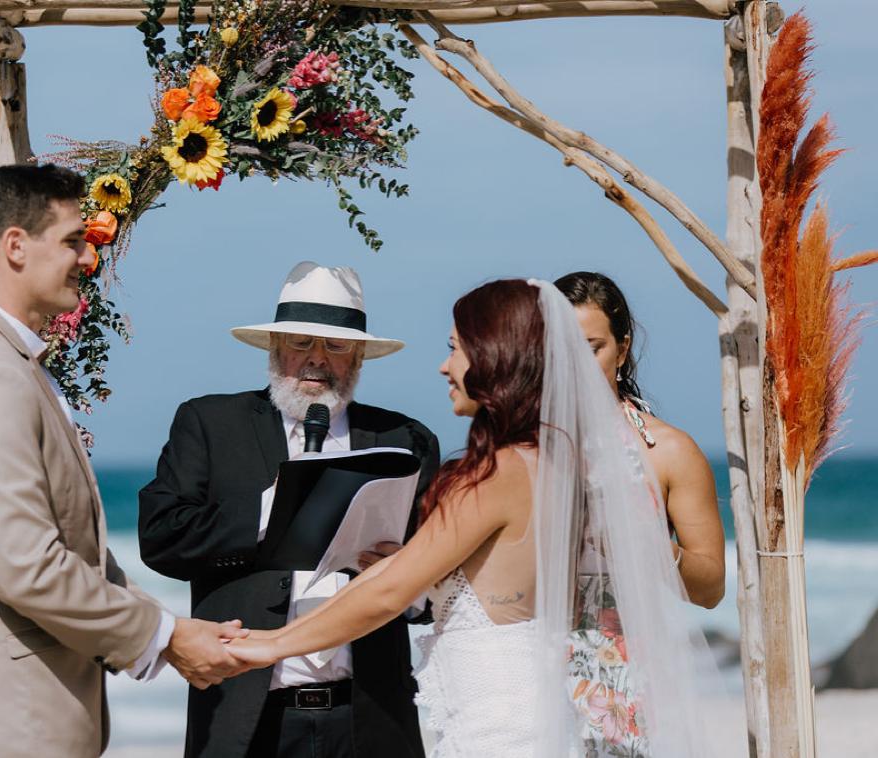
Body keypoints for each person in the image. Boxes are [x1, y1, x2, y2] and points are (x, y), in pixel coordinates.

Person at [225, 279, 723, 757]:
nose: (444, 367)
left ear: (493, 359)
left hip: (502, 732)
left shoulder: (499, 473)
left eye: (456, 349)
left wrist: (267, 647)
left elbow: (388, 591)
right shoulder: (550, 462)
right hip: (533, 716)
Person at [0, 164, 248, 757]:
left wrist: (170, 633)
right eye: (71, 240)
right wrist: (165, 635)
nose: (88, 258)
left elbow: (69, 547)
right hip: (6, 726)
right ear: (16, 246)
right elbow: (27, 566)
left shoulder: (12, 366)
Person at [140, 260, 440, 758]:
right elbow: (161, 539)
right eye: (301, 342)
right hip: (245, 721)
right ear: (275, 347)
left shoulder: (404, 440)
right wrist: (271, 512)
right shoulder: (211, 424)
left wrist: (406, 583)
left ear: (359, 356)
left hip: (370, 720)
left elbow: (442, 586)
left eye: (336, 345)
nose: (316, 359)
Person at [555, 271, 724, 608]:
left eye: (592, 349)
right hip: (532, 652)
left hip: (632, 654)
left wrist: (648, 548)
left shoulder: (668, 450)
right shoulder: (519, 445)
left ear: (622, 350)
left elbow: (710, 590)